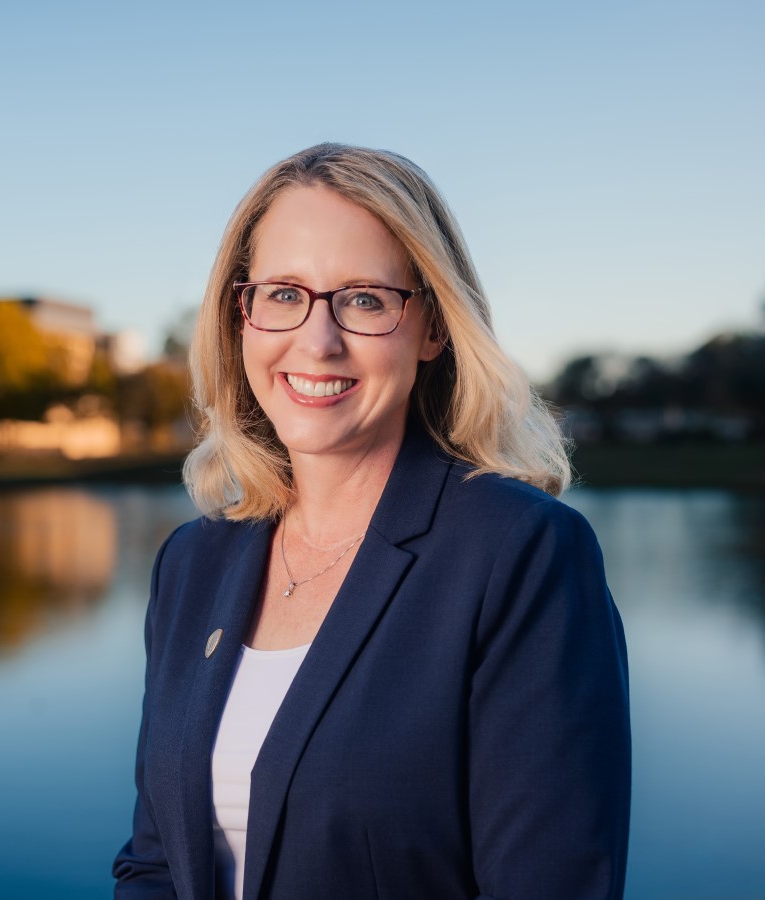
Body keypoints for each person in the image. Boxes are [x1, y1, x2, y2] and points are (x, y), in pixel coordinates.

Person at [113, 143, 631, 900]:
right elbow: (155, 864)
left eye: (363, 299)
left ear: (433, 329)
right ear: (241, 316)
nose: (316, 341)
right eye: (283, 293)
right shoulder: (194, 561)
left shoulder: (519, 553)